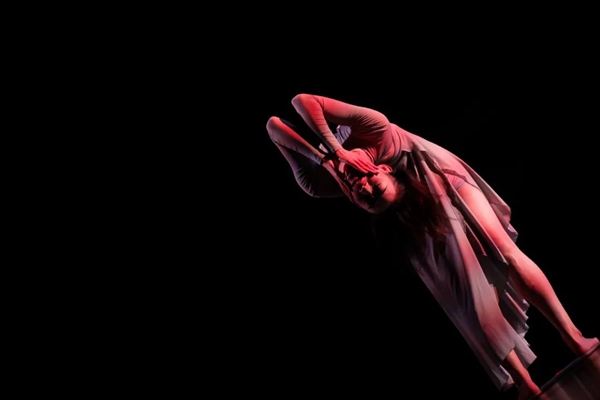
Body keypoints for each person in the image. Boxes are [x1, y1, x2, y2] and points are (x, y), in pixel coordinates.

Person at [265, 93, 599, 400]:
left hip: (435, 172)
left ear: (384, 168)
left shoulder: (375, 132)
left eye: (371, 187)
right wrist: (327, 161)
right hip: (411, 213)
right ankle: (524, 382)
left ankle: (573, 337)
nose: (362, 187)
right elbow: (279, 121)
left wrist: (333, 156)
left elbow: (293, 109)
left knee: (504, 251)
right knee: (465, 292)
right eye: (367, 198)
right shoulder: (331, 180)